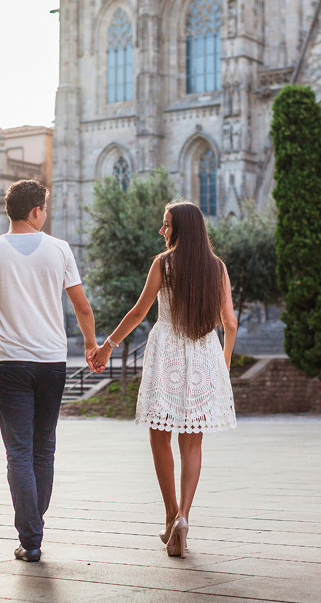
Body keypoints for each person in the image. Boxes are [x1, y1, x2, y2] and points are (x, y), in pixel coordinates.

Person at [90, 201, 237, 558]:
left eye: (166, 225)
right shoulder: (216, 268)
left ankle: (171, 514)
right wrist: (224, 366)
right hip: (203, 354)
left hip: (167, 351)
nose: (162, 231)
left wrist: (107, 346)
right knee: (193, 444)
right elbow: (230, 323)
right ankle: (185, 516)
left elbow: (140, 311)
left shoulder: (164, 263)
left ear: (180, 228)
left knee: (160, 438)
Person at [0, 179, 97, 563]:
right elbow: (82, 308)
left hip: (11, 362)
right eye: (46, 208)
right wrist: (92, 346)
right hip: (52, 362)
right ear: (36, 211)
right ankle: (34, 528)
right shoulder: (59, 250)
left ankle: (31, 538)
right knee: (44, 447)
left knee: (19, 452)